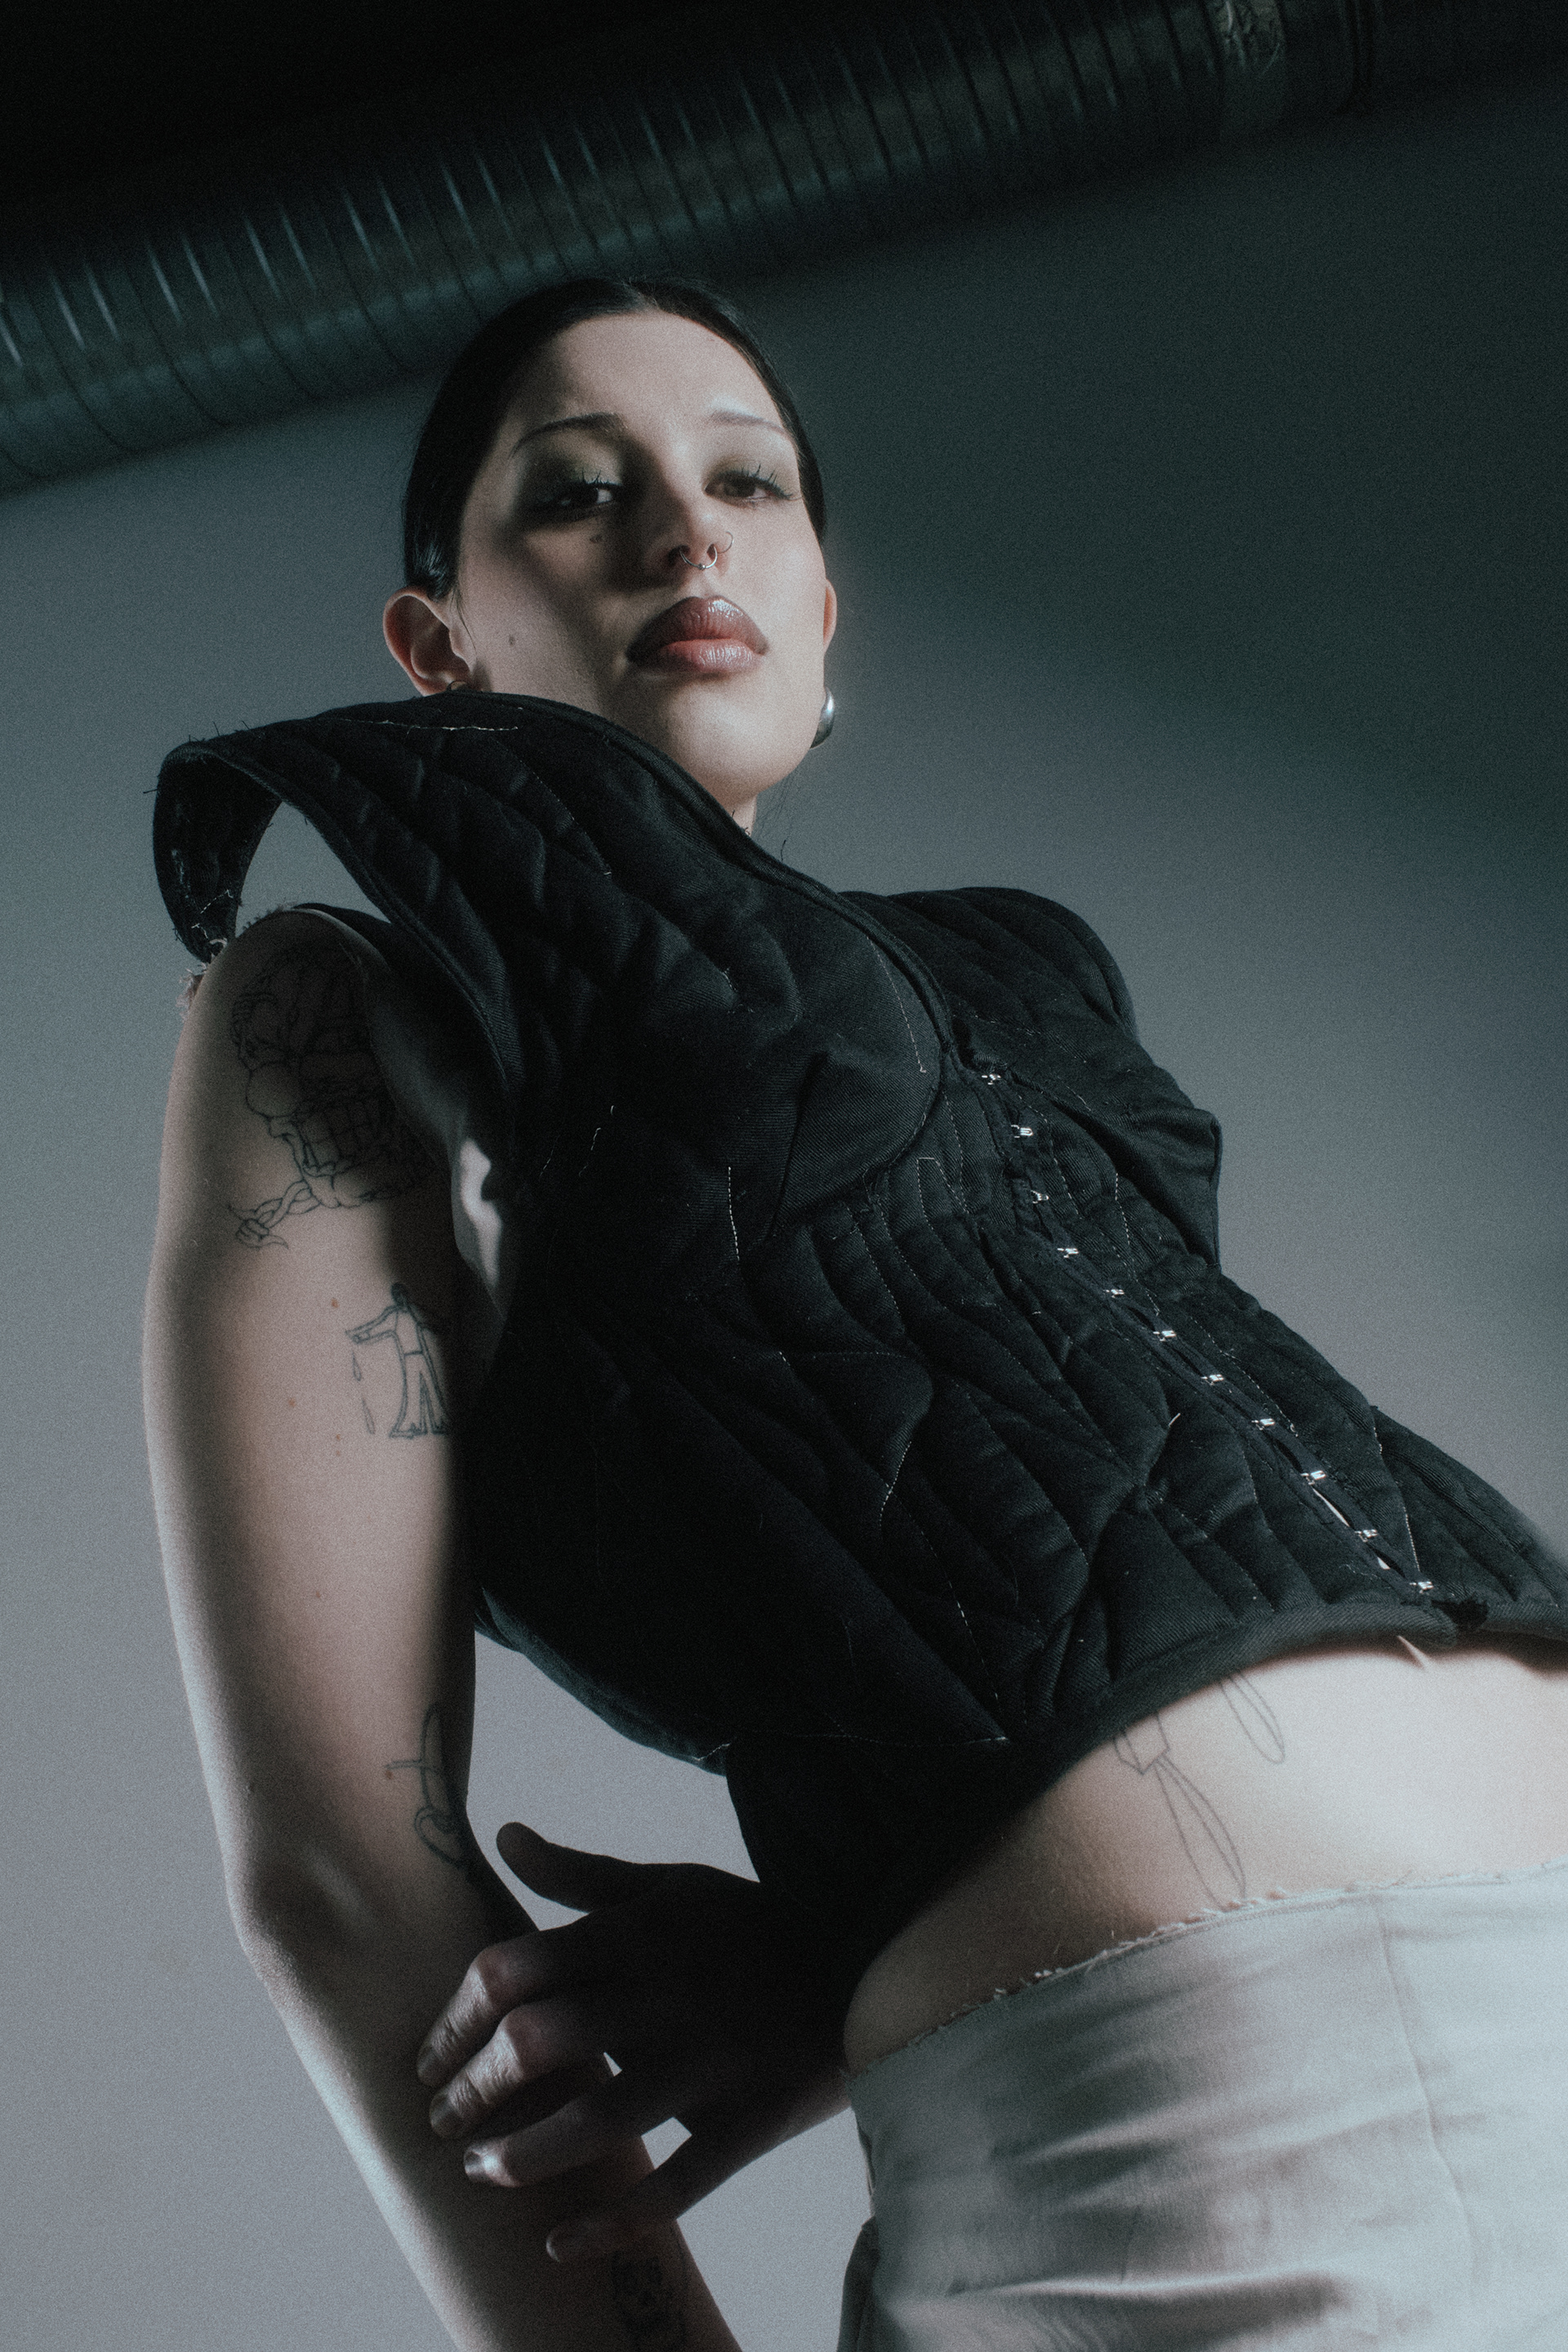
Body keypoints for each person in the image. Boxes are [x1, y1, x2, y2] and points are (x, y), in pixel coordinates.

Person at [144, 276, 1568, 2352]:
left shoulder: (1032, 972)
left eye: (748, 483)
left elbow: (1037, 1537)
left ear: (821, 611)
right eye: (579, 490)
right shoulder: (339, 1008)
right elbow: (342, 1876)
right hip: (1213, 2155)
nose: (684, 530)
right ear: (437, 644)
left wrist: (827, 1966)